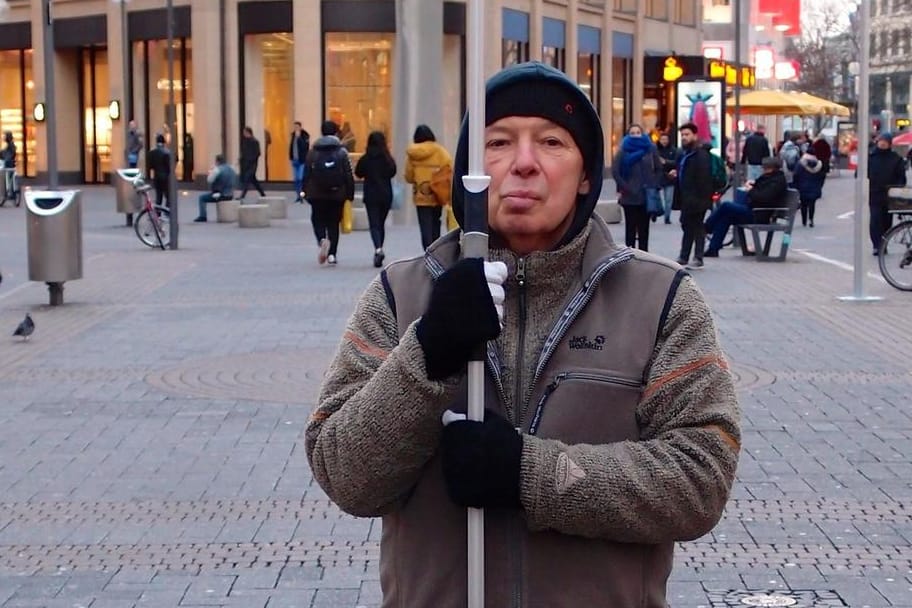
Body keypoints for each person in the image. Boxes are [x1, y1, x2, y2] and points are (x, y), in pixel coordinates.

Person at [305, 61, 740, 608]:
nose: (525, 164)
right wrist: (426, 357)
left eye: (552, 142)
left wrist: (530, 473)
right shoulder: (401, 294)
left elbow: (700, 480)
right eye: (500, 142)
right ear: (471, 172)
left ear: (585, 174)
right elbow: (345, 475)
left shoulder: (660, 299)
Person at [704, 156, 788, 257]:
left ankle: (706, 228)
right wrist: (752, 186)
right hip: (755, 210)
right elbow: (761, 192)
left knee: (726, 206)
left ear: (772, 168)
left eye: (765, 168)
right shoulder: (771, 178)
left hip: (759, 214)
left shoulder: (777, 181)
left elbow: (764, 197)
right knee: (726, 217)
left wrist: (750, 190)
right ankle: (713, 249)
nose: (763, 169)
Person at [304, 120, 355, 265]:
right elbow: (348, 174)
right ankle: (332, 254)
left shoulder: (313, 152)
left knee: (317, 219)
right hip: (337, 194)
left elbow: (306, 173)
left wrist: (304, 191)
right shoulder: (341, 152)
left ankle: (321, 240)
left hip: (316, 193)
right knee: (333, 224)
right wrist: (349, 194)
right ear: (335, 132)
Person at [611, 123, 661, 251]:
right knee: (630, 228)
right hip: (629, 196)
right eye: (632, 133)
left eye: (638, 132)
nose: (635, 135)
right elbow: (616, 171)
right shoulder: (623, 151)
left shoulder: (650, 149)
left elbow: (658, 168)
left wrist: (654, 184)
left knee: (644, 228)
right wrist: (626, 187)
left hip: (646, 195)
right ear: (628, 135)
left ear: (642, 134)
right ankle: (630, 254)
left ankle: (644, 255)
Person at [404, 125, 453, 250]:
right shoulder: (440, 151)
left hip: (421, 194)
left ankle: (427, 250)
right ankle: (436, 249)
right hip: (437, 192)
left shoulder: (412, 153)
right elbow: (449, 168)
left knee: (424, 224)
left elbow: (409, 176)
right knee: (436, 221)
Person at [672, 122, 713, 268]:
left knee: (696, 227)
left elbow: (703, 178)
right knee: (688, 226)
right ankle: (684, 256)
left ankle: (697, 257)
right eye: (682, 135)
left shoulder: (700, 154)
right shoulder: (686, 153)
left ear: (695, 135)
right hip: (687, 198)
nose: (684, 137)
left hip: (697, 199)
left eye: (687, 134)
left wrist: (701, 199)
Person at [355, 131, 397, 268]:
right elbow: (393, 172)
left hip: (371, 194)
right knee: (381, 223)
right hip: (385, 194)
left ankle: (378, 248)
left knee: (374, 224)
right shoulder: (387, 158)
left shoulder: (366, 158)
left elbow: (358, 173)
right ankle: (379, 248)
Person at [868, 132, 907, 255]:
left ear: (889, 143)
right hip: (874, 193)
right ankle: (876, 245)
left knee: (886, 221)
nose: (882, 143)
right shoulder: (871, 157)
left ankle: (883, 244)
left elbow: (901, 177)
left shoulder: (895, 158)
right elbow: (861, 173)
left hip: (890, 195)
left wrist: (898, 189)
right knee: (875, 219)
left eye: (885, 141)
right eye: (881, 141)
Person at [194, 154, 237, 222]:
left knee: (202, 198)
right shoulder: (232, 169)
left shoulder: (217, 170)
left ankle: (203, 216)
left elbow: (209, 180)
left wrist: (211, 172)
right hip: (230, 194)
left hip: (220, 195)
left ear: (217, 161)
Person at [793, 151, 826, 227]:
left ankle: (804, 221)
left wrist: (796, 186)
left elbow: (796, 175)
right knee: (812, 204)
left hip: (802, 187)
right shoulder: (819, 164)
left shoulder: (800, 164)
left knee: (803, 204)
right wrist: (819, 185)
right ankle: (811, 219)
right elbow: (822, 176)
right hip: (814, 187)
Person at [656, 132, 678, 224]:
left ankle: (667, 217)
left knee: (668, 199)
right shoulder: (655, 150)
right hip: (658, 177)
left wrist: (666, 162)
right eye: (662, 139)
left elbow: (676, 162)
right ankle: (655, 212)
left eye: (666, 139)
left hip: (670, 177)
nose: (664, 141)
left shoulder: (673, 150)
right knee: (657, 198)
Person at [238, 126, 266, 200]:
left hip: (252, 164)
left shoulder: (255, 141)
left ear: (248, 132)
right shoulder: (244, 141)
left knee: (247, 179)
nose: (244, 134)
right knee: (254, 181)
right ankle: (262, 193)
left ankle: (242, 195)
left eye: (245, 132)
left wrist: (251, 159)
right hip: (245, 164)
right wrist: (241, 160)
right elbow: (243, 152)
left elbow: (257, 153)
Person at [146, 133, 172, 208]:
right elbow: (169, 165)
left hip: (157, 176)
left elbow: (150, 166)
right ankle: (167, 211)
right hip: (166, 177)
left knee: (158, 196)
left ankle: (158, 213)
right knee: (168, 196)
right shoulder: (167, 152)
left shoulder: (152, 152)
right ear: (164, 142)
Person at [289, 121, 310, 203]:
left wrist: (299, 138)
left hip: (302, 160)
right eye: (295, 127)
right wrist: (290, 157)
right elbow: (291, 147)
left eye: (297, 127)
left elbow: (305, 147)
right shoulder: (293, 135)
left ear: (300, 127)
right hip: (295, 160)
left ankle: (302, 195)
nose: (296, 129)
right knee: (296, 180)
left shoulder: (305, 136)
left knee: (301, 178)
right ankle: (298, 196)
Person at [1, 131, 16, 199]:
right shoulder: (10, 144)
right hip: (9, 164)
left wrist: (3, 154)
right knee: (10, 178)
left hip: (9, 164)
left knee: (10, 178)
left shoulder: (11, 145)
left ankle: (11, 193)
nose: (4, 138)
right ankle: (11, 193)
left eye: (5, 136)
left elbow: (10, 154)